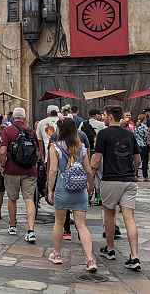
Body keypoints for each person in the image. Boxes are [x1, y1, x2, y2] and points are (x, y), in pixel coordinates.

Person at [92, 105, 142, 272]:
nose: (103, 117)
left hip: (111, 179)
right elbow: (137, 160)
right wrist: (131, 170)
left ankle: (110, 248)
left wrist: (91, 174)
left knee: (109, 214)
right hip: (129, 180)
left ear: (110, 116)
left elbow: (97, 159)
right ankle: (134, 256)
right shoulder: (129, 134)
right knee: (130, 218)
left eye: (104, 115)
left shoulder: (103, 134)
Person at [46, 117, 97, 273]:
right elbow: (88, 170)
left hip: (63, 188)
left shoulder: (54, 147)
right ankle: (90, 259)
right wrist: (90, 185)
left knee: (59, 223)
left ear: (60, 130)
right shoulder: (81, 147)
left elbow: (53, 170)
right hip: (80, 189)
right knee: (81, 225)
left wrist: (50, 189)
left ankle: (57, 254)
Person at [0, 106, 41, 244]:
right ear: (24, 118)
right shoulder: (31, 131)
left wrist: (2, 165)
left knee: (12, 198)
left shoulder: (7, 131)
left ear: (13, 118)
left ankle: (12, 225)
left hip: (12, 170)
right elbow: (38, 152)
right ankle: (31, 230)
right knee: (29, 199)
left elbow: (2, 151)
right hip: (29, 171)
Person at [134, 114, 150, 181]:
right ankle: (145, 176)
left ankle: (135, 175)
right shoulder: (145, 127)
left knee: (137, 161)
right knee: (144, 162)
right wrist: (149, 144)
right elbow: (147, 137)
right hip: (144, 146)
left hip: (137, 145)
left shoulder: (136, 127)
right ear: (144, 119)